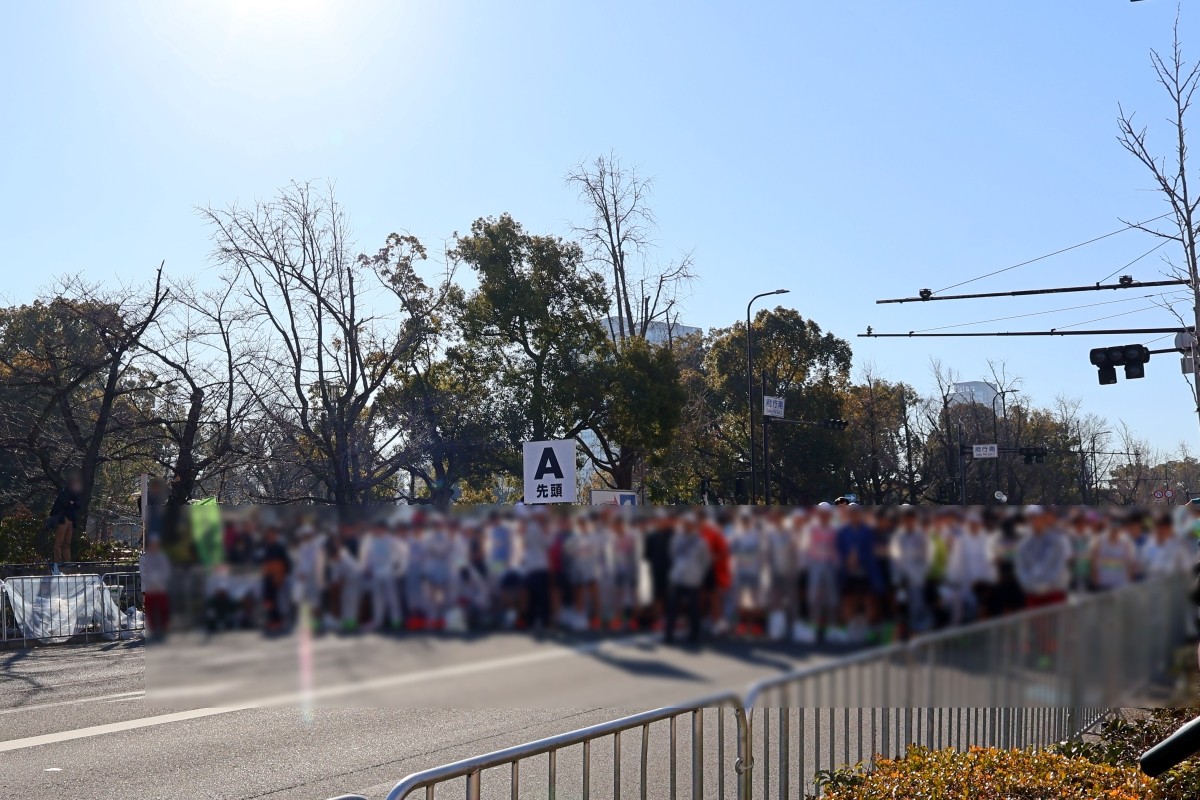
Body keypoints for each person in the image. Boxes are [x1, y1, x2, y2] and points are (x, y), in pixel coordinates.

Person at [665, 514, 711, 646]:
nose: (687, 526)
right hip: (677, 577)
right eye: (685, 524)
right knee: (672, 607)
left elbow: (706, 560)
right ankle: (669, 635)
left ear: (694, 526)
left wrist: (699, 574)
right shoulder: (676, 539)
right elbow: (672, 554)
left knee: (693, 608)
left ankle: (694, 635)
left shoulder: (700, 541)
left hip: (693, 579)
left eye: (689, 524)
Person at [47, 469, 84, 572]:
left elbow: (78, 505)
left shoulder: (75, 494)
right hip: (62, 520)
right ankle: (58, 561)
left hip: (70, 520)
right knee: (59, 542)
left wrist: (73, 503)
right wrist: (72, 504)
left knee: (67, 543)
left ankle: (68, 562)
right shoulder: (64, 492)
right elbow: (67, 503)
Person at [140, 535, 171, 640]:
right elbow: (143, 573)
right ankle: (153, 631)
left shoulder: (162, 557)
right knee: (150, 610)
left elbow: (166, 571)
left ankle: (164, 629)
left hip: (161, 587)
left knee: (163, 609)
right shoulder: (144, 558)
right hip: (149, 588)